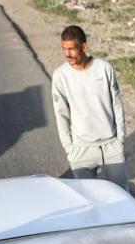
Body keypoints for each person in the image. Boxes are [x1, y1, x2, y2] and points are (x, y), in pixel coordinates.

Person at [50, 25, 128, 190]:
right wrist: (70, 149)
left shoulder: (104, 68)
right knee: (89, 201)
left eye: (72, 49)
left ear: (84, 47)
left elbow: (117, 105)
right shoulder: (60, 76)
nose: (67, 54)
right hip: (80, 150)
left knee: (122, 198)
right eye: (64, 49)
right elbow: (61, 115)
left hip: (111, 148)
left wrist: (119, 140)